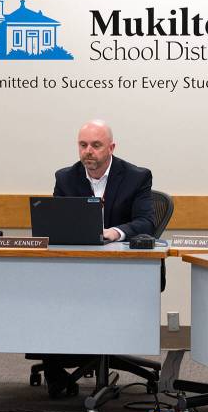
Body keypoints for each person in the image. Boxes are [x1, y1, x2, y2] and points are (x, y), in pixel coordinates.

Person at [41, 120, 156, 395]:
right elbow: (56, 223)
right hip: (77, 267)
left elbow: (147, 222)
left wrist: (115, 233)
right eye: (83, 145)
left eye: (96, 145)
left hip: (122, 268)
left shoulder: (136, 176)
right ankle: (55, 372)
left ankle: (99, 354)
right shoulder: (65, 178)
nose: (88, 151)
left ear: (111, 147)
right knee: (41, 292)